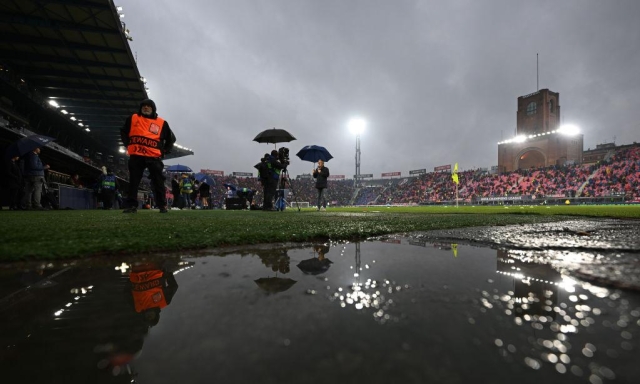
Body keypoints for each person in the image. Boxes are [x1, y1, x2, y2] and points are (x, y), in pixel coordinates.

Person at [120, 99, 176, 213]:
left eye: (148, 106)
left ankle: (162, 205)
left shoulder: (161, 123)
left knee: (158, 182)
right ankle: (131, 206)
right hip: (136, 156)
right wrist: (127, 144)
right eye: (144, 106)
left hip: (153, 157)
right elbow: (123, 131)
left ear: (153, 109)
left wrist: (164, 150)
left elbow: (171, 139)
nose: (146, 108)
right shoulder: (133, 118)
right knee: (133, 182)